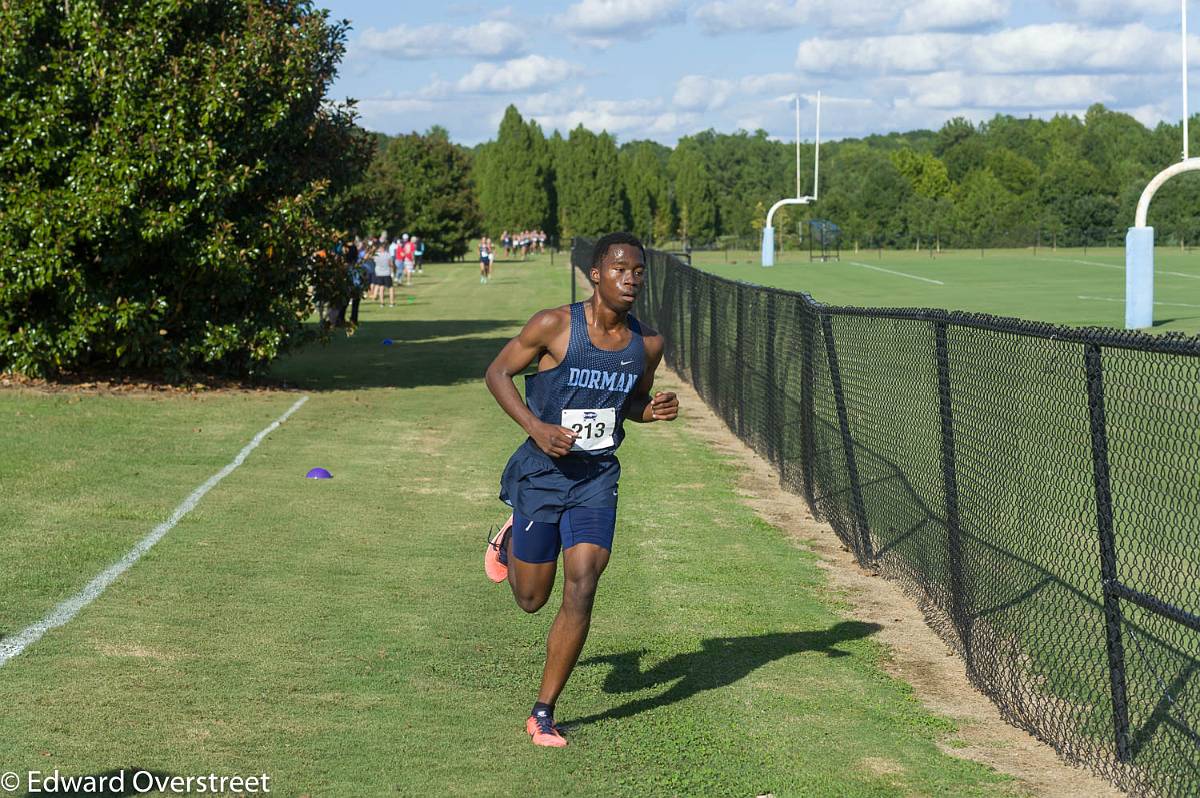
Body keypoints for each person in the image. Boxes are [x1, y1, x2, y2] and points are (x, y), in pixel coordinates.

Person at [482, 231, 680, 748]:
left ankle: (543, 712)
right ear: (596, 275)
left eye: (638, 270)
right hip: (543, 475)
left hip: (596, 477)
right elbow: (498, 372)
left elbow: (631, 403)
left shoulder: (648, 343)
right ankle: (509, 538)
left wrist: (650, 410)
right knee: (531, 598)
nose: (631, 278)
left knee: (584, 582)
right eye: (620, 269)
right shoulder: (555, 326)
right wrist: (535, 427)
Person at [372, 239, 395, 306]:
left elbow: (372, 259)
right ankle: (391, 302)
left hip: (379, 273)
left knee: (381, 287)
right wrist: (393, 270)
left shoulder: (376, 255)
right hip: (387, 273)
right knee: (390, 288)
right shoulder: (388, 255)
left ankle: (382, 303)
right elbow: (391, 264)